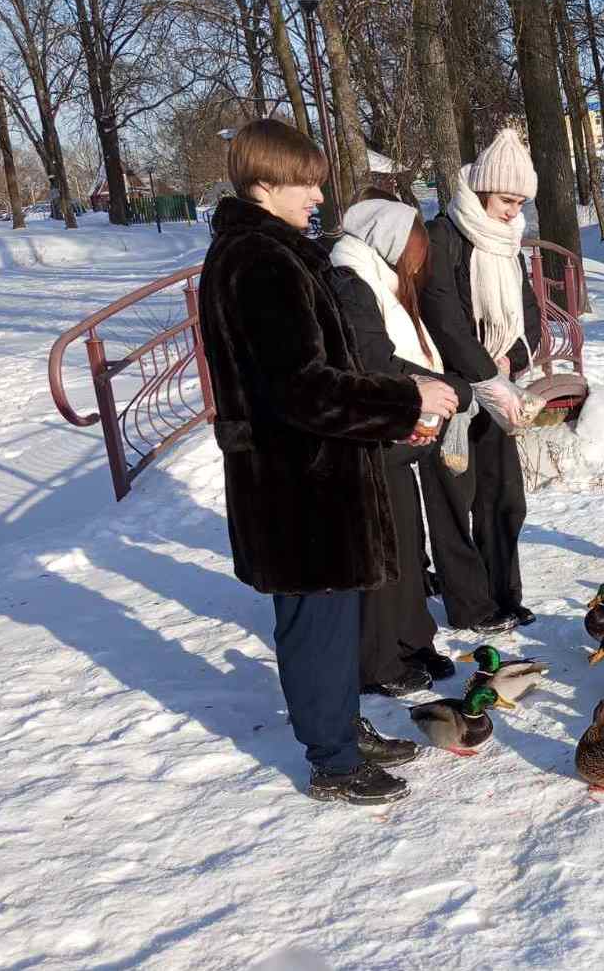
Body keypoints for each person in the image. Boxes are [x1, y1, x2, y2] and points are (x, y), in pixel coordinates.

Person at [197, 119, 458, 805]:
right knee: (314, 623)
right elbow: (302, 388)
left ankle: (341, 724)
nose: (319, 194)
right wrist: (406, 398)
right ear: (264, 182)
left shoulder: (275, 253)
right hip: (297, 484)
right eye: (305, 182)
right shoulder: (259, 262)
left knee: (332, 620)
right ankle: (333, 762)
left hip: (310, 477)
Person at [326, 197, 473, 695]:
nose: (419, 262)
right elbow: (374, 360)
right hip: (370, 436)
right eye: (415, 249)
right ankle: (378, 661)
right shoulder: (350, 280)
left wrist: (441, 389)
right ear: (390, 241)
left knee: (407, 545)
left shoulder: (376, 279)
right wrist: (446, 386)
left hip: (393, 432)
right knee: (385, 551)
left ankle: (413, 640)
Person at [420, 130, 542, 632]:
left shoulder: (507, 244)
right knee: (454, 501)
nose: (514, 211)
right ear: (482, 190)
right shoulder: (444, 236)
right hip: (453, 390)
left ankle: (504, 594)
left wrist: (511, 361)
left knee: (503, 495)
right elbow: (441, 314)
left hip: (498, 388)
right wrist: (486, 376)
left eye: (520, 202)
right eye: (507, 199)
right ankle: (470, 606)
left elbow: (529, 314)